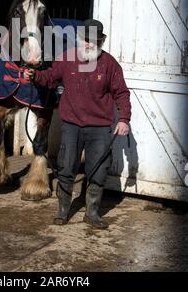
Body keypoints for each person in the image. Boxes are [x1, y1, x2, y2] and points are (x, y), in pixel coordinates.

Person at [24, 19, 131, 228]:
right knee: (66, 168)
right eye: (86, 39)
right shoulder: (67, 59)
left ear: (100, 42)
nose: (89, 44)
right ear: (80, 39)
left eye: (94, 41)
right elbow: (50, 77)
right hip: (72, 125)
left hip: (99, 128)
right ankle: (63, 211)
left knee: (98, 171)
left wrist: (124, 119)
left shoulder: (109, 64)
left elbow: (121, 93)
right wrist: (35, 75)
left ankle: (91, 213)